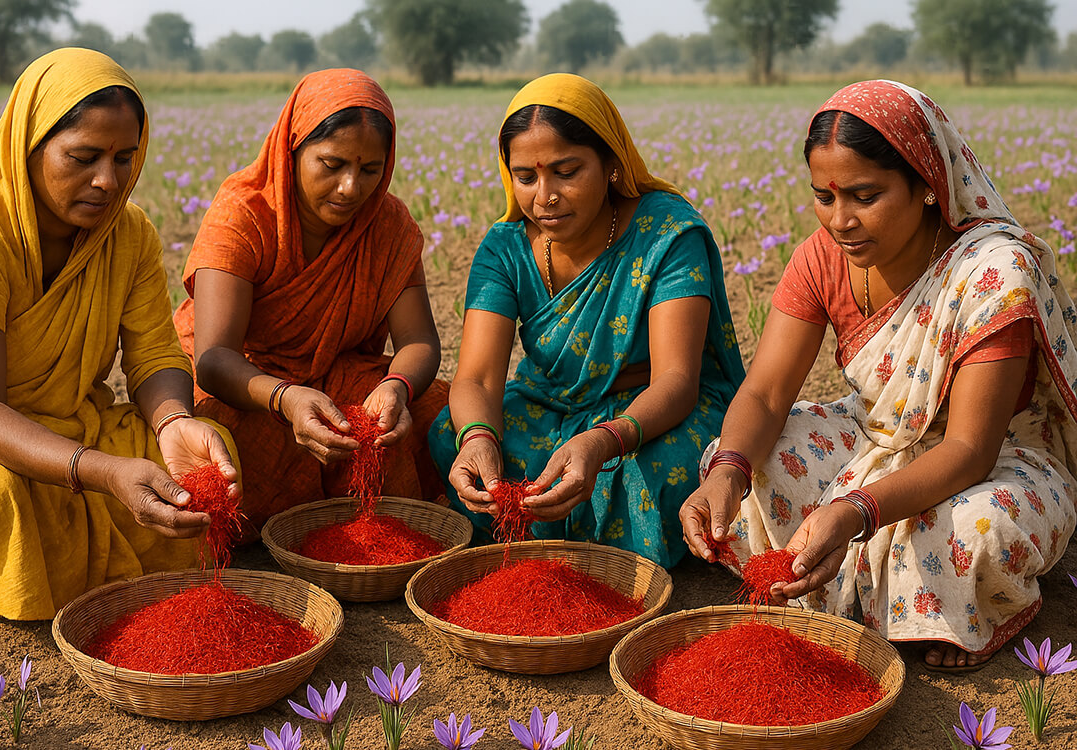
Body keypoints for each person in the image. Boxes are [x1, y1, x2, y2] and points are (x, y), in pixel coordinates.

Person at [679, 80, 1077, 671]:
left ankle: (986, 609)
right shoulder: (823, 256)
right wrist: (729, 474)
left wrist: (854, 511)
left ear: (926, 186)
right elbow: (764, 394)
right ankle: (893, 600)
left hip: (996, 458)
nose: (841, 221)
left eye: (865, 196)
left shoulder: (993, 273)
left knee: (974, 532)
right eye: (824, 197)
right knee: (743, 464)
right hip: (874, 433)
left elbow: (969, 447)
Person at [0, 48, 240, 640]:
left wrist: (174, 421)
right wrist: (104, 473)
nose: (107, 181)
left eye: (125, 159)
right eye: (83, 157)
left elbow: (153, 356)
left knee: (207, 452)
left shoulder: (130, 234)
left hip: (74, 424)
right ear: (30, 144)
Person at [430, 74, 745, 567]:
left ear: (611, 165)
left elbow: (678, 382)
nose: (545, 196)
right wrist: (478, 438)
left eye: (566, 171)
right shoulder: (506, 248)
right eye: (526, 177)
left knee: (639, 480)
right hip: (550, 404)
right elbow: (476, 376)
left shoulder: (665, 234)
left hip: (651, 414)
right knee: (454, 434)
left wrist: (603, 440)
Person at [175, 68, 448, 535]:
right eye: (332, 164)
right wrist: (286, 397)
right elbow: (215, 359)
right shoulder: (244, 216)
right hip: (249, 383)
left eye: (370, 170)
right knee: (220, 440)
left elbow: (419, 340)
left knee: (436, 410)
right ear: (293, 148)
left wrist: (397, 386)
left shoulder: (388, 226)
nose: (350, 188)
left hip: (338, 377)